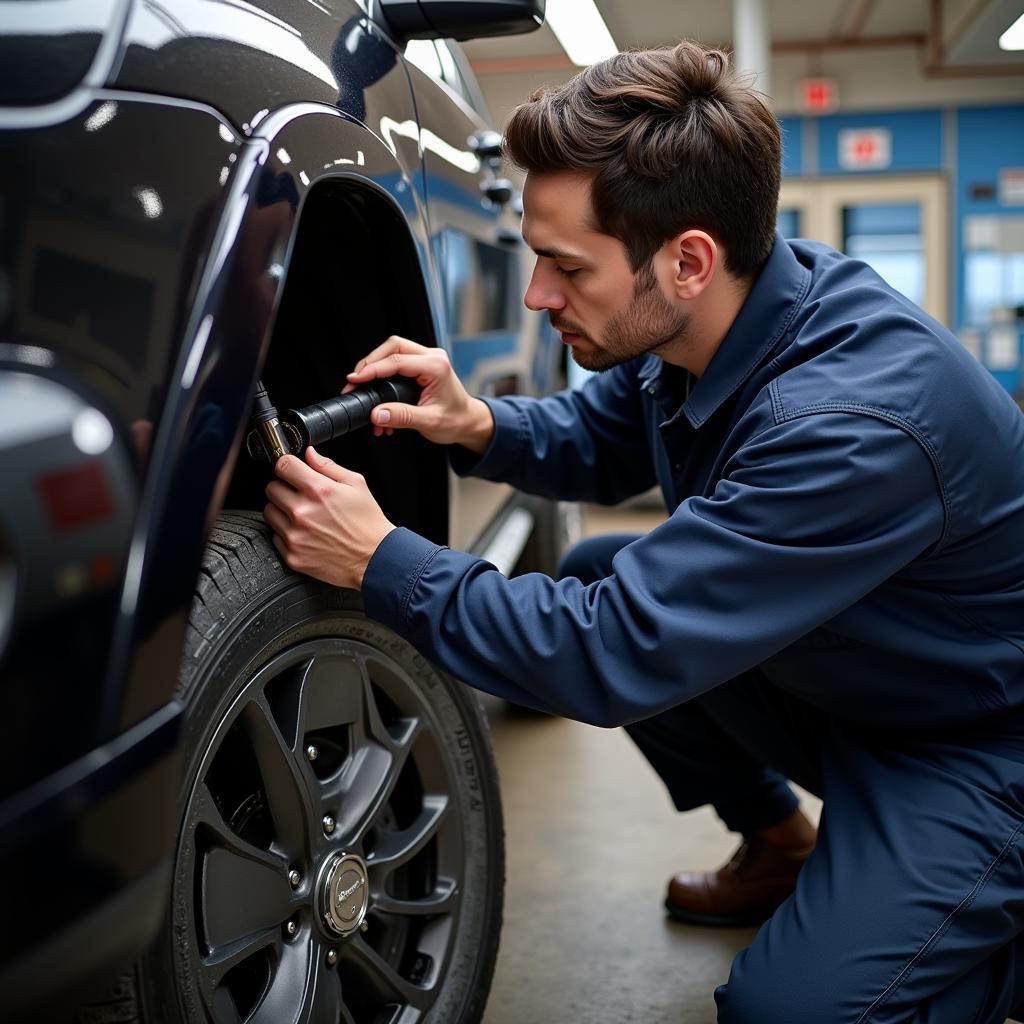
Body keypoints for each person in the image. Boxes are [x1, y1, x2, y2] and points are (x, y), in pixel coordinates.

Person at [263, 40, 1024, 1023]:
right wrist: (476, 421)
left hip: (977, 748)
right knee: (595, 561)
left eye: (565, 266)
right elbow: (598, 434)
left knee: (786, 1012)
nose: (537, 296)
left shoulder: (848, 426)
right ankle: (781, 845)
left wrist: (381, 560)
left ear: (687, 259)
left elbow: (611, 648)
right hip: (871, 683)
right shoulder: (719, 320)